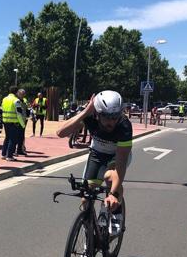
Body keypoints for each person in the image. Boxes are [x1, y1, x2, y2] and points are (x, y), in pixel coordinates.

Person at [56, 90, 132, 234]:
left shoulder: (124, 125)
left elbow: (121, 164)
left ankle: (117, 210)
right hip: (97, 154)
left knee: (110, 176)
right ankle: (89, 238)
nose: (111, 122)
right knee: (85, 199)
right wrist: (85, 112)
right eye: (107, 117)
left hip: (116, 155)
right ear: (97, 112)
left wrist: (113, 194)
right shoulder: (90, 116)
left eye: (115, 117)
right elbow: (60, 132)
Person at [1, 86, 25, 161]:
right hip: (14, 122)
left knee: (7, 137)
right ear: (17, 92)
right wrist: (23, 124)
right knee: (13, 139)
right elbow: (19, 113)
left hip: (5, 121)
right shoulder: (16, 100)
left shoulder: (4, 99)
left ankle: (4, 154)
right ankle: (9, 156)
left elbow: (2, 109)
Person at [16, 89, 29, 156]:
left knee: (21, 136)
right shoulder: (16, 101)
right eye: (21, 94)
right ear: (18, 94)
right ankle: (16, 150)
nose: (23, 95)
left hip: (23, 120)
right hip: (17, 121)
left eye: (24, 94)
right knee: (17, 136)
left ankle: (20, 149)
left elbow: (26, 109)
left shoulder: (24, 100)